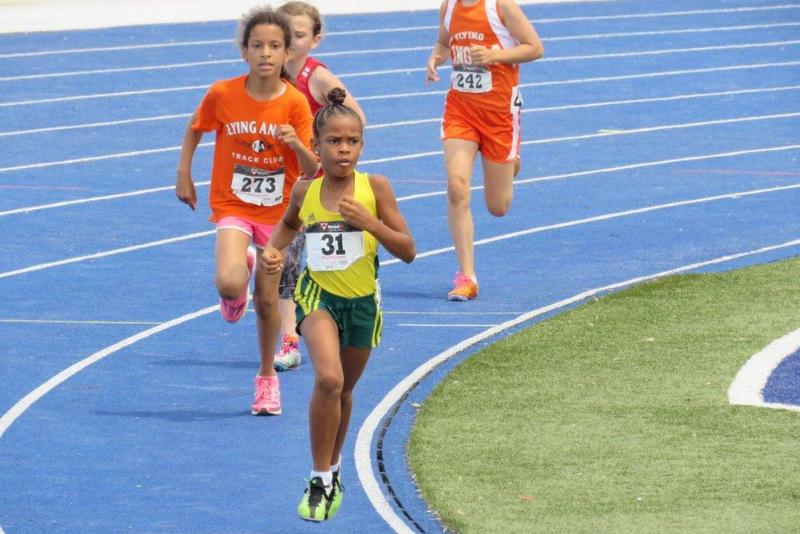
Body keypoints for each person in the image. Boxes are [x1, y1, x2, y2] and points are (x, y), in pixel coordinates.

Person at [261, 88, 415, 521]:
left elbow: (408, 250)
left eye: (352, 141)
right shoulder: (305, 190)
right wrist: (273, 251)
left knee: (344, 390)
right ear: (316, 146)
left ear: (362, 146)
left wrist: (370, 224)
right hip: (318, 296)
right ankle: (318, 476)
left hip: (363, 303)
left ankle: (332, 469)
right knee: (328, 379)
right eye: (334, 141)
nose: (343, 149)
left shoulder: (375, 188)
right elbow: (287, 225)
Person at [175, 6, 318, 416]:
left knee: (268, 301)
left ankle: (266, 379)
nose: (265, 54)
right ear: (244, 51)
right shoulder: (223, 94)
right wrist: (184, 174)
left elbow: (312, 169)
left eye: (274, 46)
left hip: (278, 216)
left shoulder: (295, 103)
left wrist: (295, 144)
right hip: (234, 205)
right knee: (228, 284)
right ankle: (238, 284)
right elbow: (195, 129)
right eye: (257, 46)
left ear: (287, 53)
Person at [271, 0, 368, 373]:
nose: (290, 41)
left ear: (315, 39)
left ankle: (299, 335)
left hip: (313, 182)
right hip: (279, 177)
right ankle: (290, 337)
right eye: (285, 34)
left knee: (296, 260)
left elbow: (357, 118)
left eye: (298, 35)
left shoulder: (317, 77)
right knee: (284, 258)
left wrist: (331, 151)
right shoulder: (271, 74)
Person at [426, 0, 543, 300]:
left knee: (497, 206)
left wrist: (495, 55)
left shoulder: (501, 6)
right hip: (460, 111)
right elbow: (443, 42)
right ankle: (467, 277)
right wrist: (436, 57)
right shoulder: (449, 7)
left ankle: (510, 164)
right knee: (457, 186)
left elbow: (534, 47)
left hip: (499, 116)